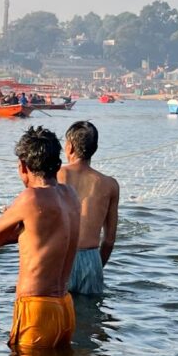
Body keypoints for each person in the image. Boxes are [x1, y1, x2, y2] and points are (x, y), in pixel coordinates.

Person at [0, 126, 80, 351]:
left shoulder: (30, 198)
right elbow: (41, 236)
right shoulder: (70, 195)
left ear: (23, 166)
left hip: (37, 308)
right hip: (64, 306)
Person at [57, 121, 119, 295]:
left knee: (58, 317)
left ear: (69, 147)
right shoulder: (110, 184)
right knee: (90, 318)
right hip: (92, 260)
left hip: (60, 258)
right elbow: (109, 240)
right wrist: (96, 266)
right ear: (95, 148)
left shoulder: (55, 175)